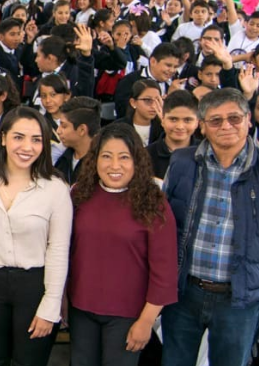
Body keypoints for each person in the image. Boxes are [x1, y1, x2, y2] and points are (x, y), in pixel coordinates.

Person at [162, 87, 259, 366]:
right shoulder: (182, 162)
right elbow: (163, 221)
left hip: (240, 298)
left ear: (248, 120)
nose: (226, 126)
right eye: (215, 121)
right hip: (184, 292)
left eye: (234, 118)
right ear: (203, 127)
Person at [0, 106, 72, 366]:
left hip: (33, 286)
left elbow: (58, 250)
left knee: (28, 361)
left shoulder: (56, 188)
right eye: (19, 137)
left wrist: (51, 305)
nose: (27, 147)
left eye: (36, 139)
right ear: (4, 138)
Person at [68, 122, 178, 365]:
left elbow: (165, 270)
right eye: (106, 156)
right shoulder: (79, 195)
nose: (114, 166)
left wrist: (146, 321)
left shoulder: (153, 202)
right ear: (95, 159)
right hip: (81, 308)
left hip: (128, 315)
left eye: (124, 157)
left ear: (136, 161)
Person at [146, 90, 200, 180]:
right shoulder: (146, 155)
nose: (180, 126)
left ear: (197, 122)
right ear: (162, 120)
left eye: (187, 120)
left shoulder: (206, 153)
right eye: (173, 119)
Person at [55, 97, 102, 184]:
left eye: (64, 126)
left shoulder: (101, 164)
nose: (58, 131)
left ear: (82, 130)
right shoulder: (63, 160)